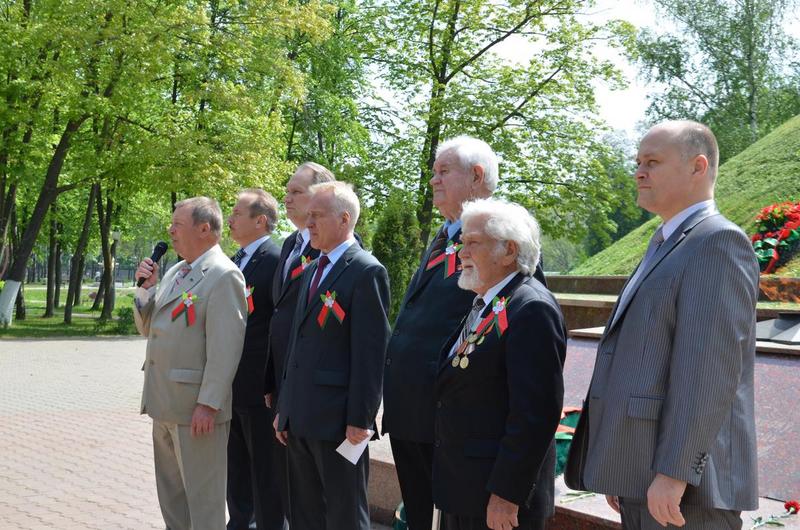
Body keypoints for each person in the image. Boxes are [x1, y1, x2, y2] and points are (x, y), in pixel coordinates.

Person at [565, 120, 760, 529]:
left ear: (698, 166)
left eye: (652, 161)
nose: (639, 171)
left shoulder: (718, 243)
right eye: (638, 161)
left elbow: (708, 370)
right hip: (645, 473)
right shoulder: (666, 242)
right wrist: (622, 462)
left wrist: (675, 473)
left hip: (687, 491)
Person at [382, 136, 546, 530]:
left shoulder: (502, 240)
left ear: (476, 176)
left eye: (443, 172)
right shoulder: (444, 235)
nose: (433, 181)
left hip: (449, 424)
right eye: (433, 172)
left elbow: (515, 320)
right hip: (413, 416)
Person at [432, 198, 566, 530]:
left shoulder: (531, 308)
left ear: (508, 251)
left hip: (496, 500)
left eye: (473, 242)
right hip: (466, 486)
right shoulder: (490, 301)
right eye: (462, 241)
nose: (461, 252)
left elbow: (534, 414)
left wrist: (506, 495)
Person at [274, 181, 391, 530]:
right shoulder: (312, 268)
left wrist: (361, 418)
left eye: (316, 216)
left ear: (343, 219)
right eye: (307, 215)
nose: (308, 223)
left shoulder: (366, 270)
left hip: (339, 423)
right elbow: (297, 344)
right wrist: (285, 406)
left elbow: (371, 353)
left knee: (344, 515)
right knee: (304, 514)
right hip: (301, 417)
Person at [134, 197, 248, 530]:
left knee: (203, 504)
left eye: (177, 224)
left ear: (204, 228)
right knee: (173, 502)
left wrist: (209, 404)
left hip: (197, 412)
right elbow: (148, 327)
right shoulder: (175, 271)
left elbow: (226, 348)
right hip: (164, 404)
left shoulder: (224, 275)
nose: (170, 230)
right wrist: (145, 292)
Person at [266, 162, 335, 522]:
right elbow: (278, 315)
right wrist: (269, 379)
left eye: (296, 191)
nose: (287, 198)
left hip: (314, 393)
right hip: (282, 384)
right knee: (289, 489)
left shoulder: (334, 253)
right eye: (287, 191)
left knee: (315, 500)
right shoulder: (291, 244)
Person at [226, 189, 284, 530]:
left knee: (264, 473)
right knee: (236, 471)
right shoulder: (236, 260)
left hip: (257, 387)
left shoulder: (274, 260)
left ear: (260, 220)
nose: (230, 220)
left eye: (237, 213)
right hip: (231, 385)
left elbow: (274, 325)